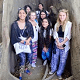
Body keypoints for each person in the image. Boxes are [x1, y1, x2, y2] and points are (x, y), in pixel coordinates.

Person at [11, 8, 34, 80]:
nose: (22, 14)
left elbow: (31, 34)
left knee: (30, 56)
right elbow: (14, 36)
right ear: (18, 14)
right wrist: (23, 41)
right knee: (22, 58)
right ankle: (20, 74)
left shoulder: (29, 24)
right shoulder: (14, 24)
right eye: (20, 13)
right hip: (19, 43)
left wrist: (28, 40)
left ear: (26, 14)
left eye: (23, 13)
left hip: (27, 42)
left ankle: (26, 68)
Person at [49, 9, 72, 80]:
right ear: (58, 16)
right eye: (60, 15)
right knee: (54, 57)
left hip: (65, 43)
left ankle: (59, 73)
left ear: (66, 16)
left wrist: (62, 43)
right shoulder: (57, 24)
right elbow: (54, 34)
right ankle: (53, 70)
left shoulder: (69, 24)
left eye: (63, 15)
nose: (61, 17)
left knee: (62, 60)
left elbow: (69, 35)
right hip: (57, 42)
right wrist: (58, 42)